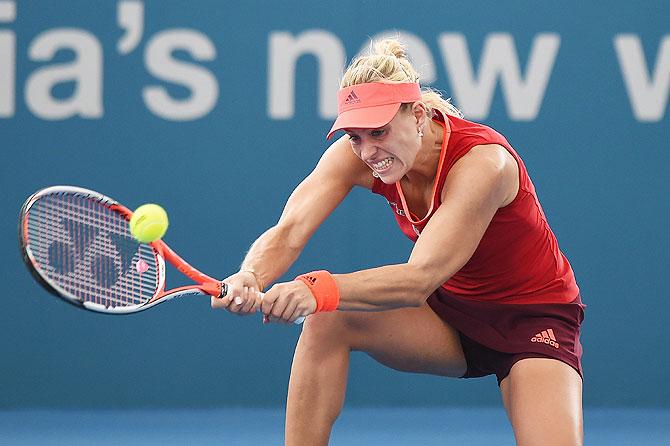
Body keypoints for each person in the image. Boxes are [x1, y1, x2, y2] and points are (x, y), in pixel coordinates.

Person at [211, 37, 585, 446]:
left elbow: (418, 279)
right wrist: (251, 274)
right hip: (451, 317)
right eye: (355, 136)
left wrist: (314, 288)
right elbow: (289, 230)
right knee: (329, 319)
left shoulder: (484, 164)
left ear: (418, 115)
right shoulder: (355, 156)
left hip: (531, 319)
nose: (368, 150)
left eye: (379, 131)